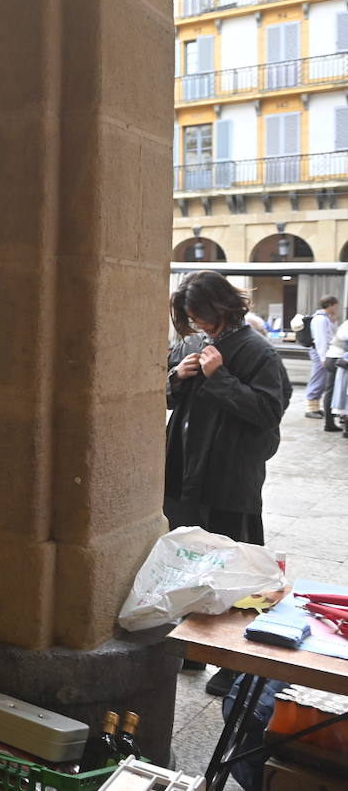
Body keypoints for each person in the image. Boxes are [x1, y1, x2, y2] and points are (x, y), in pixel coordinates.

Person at [166, 270, 292, 697]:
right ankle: (192, 650)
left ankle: (232, 662)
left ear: (224, 307)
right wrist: (176, 377)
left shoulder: (258, 351)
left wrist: (220, 378)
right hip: (184, 475)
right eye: (191, 318)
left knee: (234, 571)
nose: (199, 326)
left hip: (229, 479)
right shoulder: (189, 345)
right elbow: (164, 398)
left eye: (203, 316)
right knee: (189, 563)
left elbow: (267, 411)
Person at [306, 296, 340, 420]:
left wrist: (334, 321)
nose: (337, 307)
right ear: (330, 305)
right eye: (336, 305)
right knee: (318, 378)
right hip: (321, 352)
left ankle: (315, 407)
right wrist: (323, 358)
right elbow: (321, 339)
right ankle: (310, 408)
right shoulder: (320, 319)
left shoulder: (327, 318)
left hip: (325, 352)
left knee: (322, 379)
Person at [325, 315, 348, 434]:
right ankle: (331, 423)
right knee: (341, 392)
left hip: (333, 357)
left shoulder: (344, 323)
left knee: (333, 391)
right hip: (339, 359)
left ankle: (330, 422)